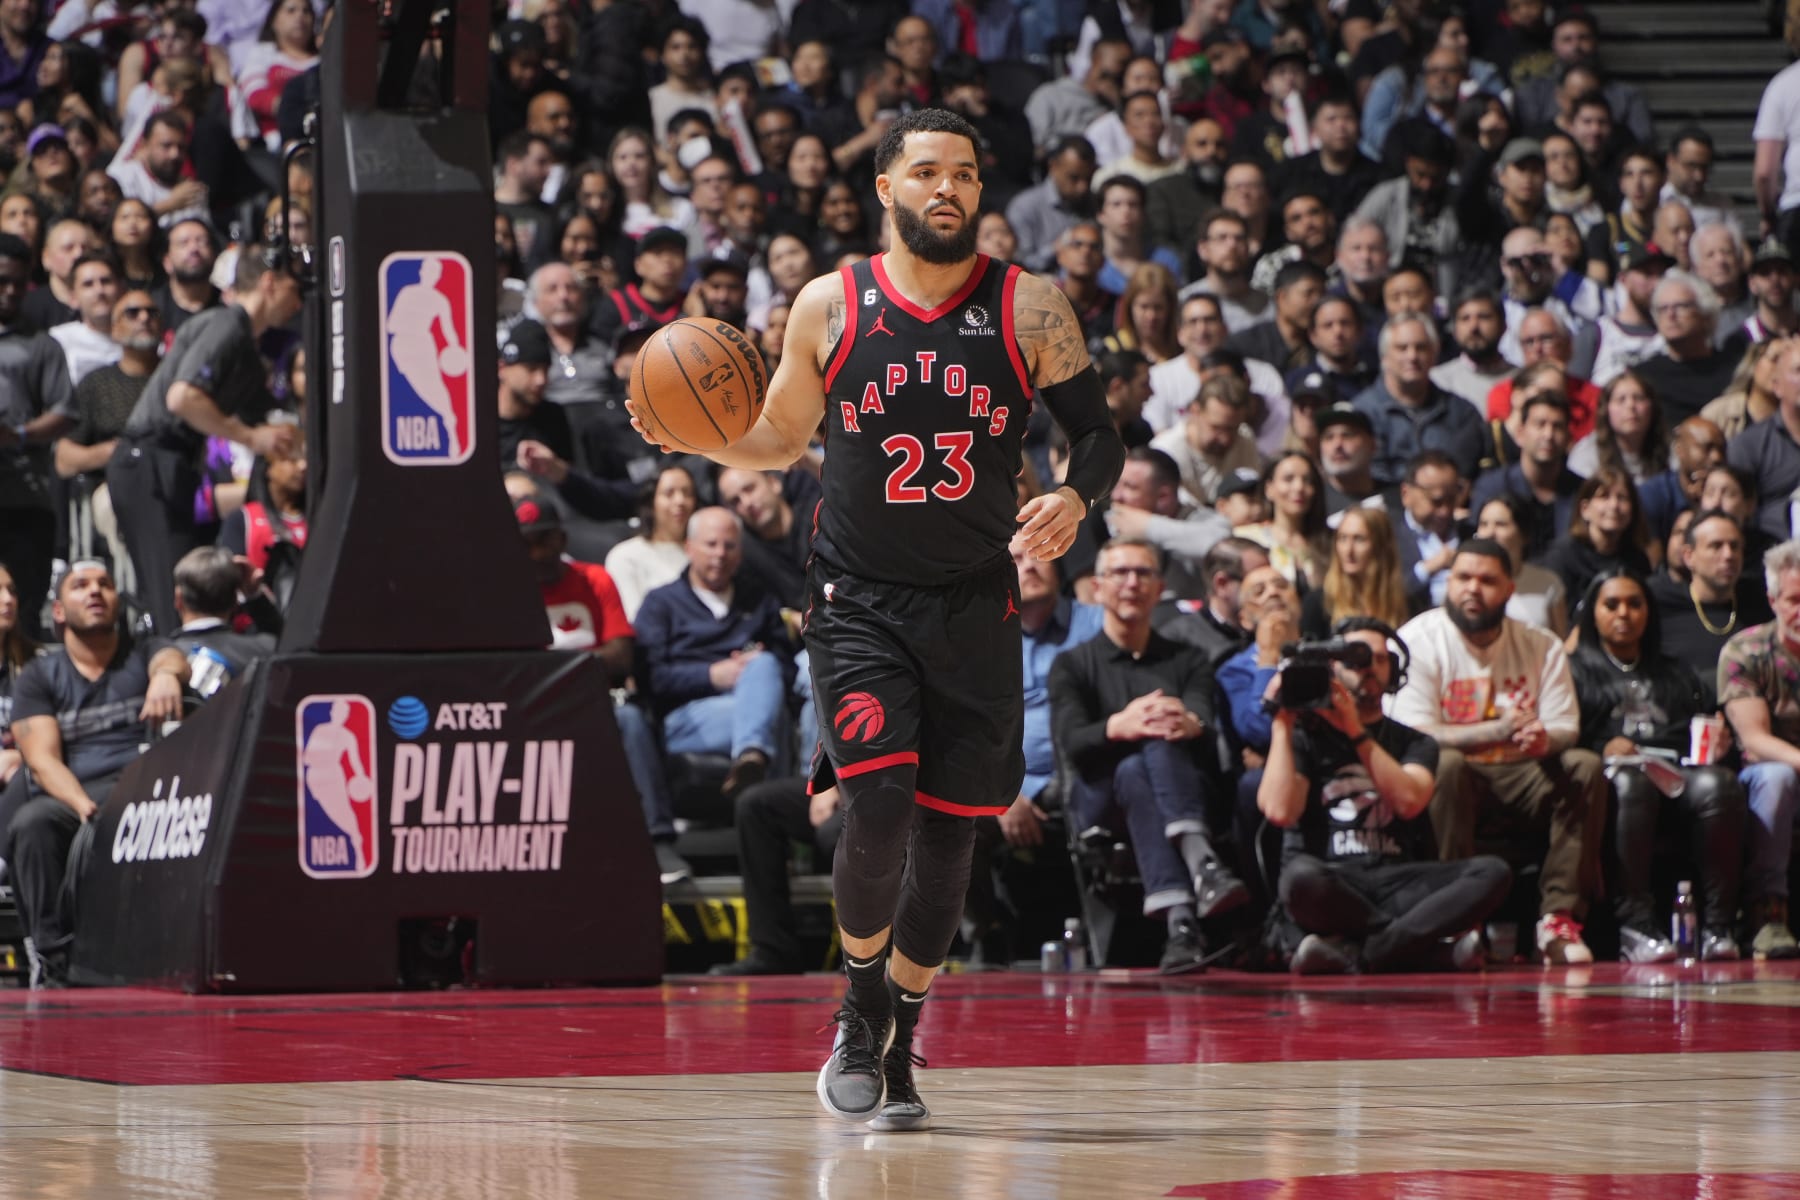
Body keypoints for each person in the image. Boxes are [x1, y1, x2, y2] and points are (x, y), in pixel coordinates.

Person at [627, 109, 1125, 1131]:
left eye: (966, 174)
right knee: (880, 805)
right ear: (888, 188)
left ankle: (901, 1028)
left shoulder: (1031, 307)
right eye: (928, 171)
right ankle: (859, 1012)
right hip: (858, 601)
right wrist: (694, 437)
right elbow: (779, 438)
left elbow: (1099, 436)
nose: (949, 188)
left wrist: (1079, 498)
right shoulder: (830, 302)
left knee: (948, 841)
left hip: (976, 602)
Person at [1394, 539, 1608, 966]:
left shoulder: (1540, 644)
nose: (1472, 589)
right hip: (1457, 777)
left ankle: (1558, 919)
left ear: (1510, 589)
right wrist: (1498, 729)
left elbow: (1565, 726)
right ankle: (1457, 920)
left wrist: (1545, 741)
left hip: (1522, 772)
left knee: (1584, 765)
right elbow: (1415, 734)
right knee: (1445, 764)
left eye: (1487, 580)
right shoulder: (1418, 639)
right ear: (1448, 583)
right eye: (1462, 578)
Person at [1260, 617, 1512, 973]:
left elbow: (1409, 803)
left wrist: (1354, 730)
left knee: (1492, 872)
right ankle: (1419, 949)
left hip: (1397, 881)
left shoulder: (1414, 742)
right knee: (1298, 878)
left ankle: (1361, 953)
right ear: (1333, 669)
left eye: (1379, 659)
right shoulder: (1304, 737)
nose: (1368, 668)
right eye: (1355, 659)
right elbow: (1280, 811)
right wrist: (1281, 723)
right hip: (1332, 881)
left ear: (1394, 670)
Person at [1050, 538, 1243, 976]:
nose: (1132, 583)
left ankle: (1181, 927)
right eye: (1120, 573)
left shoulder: (1189, 659)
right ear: (1097, 587)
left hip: (1179, 789)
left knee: (1143, 761)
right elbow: (1072, 743)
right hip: (1100, 803)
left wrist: (1188, 721)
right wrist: (1120, 725)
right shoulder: (1073, 664)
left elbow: (1204, 719)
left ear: (1159, 589)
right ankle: (1202, 863)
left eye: (1143, 573)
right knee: (1143, 744)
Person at [5, 561, 187, 985]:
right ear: (58, 611)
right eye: (81, 585)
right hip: (80, 797)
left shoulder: (143, 654)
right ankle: (52, 963)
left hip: (147, 796)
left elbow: (173, 656)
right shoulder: (40, 676)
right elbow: (42, 760)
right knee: (31, 824)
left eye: (104, 584)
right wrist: (83, 806)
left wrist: (166, 675)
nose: (94, 592)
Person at [107, 246, 301, 634]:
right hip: (149, 461)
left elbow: (263, 415)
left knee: (187, 591)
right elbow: (183, 398)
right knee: (171, 594)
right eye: (295, 290)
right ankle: (170, 666)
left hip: (176, 467)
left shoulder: (248, 348)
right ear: (269, 283)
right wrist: (249, 437)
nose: (299, 304)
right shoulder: (226, 325)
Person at [1569, 569, 1746, 962]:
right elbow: (1564, 735)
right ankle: (1635, 924)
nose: (1624, 613)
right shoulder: (1574, 669)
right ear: (1593, 612)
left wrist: (1719, 740)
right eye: (1611, 604)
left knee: (1719, 784)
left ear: (1649, 612)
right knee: (1633, 783)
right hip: (1614, 778)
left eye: (1635, 604)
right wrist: (1602, 746)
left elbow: (1701, 723)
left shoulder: (1674, 670)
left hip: (1675, 770)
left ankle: (1718, 927)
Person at [1716, 538, 1800, 960]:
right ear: (1772, 601)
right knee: (1777, 777)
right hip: (1768, 772)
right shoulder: (1746, 650)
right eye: (1794, 601)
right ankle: (1767, 915)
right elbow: (1754, 739)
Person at [0, 233, 76, 639]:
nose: (11, 291)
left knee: (24, 612)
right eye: (2, 281)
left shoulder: (43, 345)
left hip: (26, 498)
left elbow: (65, 413)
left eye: (18, 283)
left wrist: (16, 435)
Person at [1538, 467, 1653, 611]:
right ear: (1585, 509)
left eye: (1622, 498)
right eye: (1604, 496)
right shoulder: (1562, 556)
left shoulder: (1638, 560)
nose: (1614, 505)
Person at [605, 463, 698, 621]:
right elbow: (634, 619)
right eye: (669, 493)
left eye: (687, 493)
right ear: (651, 502)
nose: (680, 501)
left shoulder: (707, 551)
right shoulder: (625, 556)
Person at [1300, 507, 1410, 638]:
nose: (1348, 550)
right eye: (1342, 538)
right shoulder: (1317, 604)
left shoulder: (1406, 604)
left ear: (1381, 545)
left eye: (1359, 539)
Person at [1474, 493, 1567, 636]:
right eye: (1483, 524)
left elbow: (1560, 641)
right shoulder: (1467, 582)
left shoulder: (1548, 583)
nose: (1490, 533)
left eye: (1501, 524)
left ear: (1524, 534)